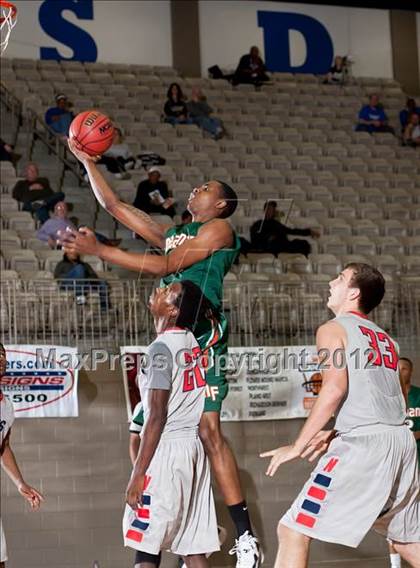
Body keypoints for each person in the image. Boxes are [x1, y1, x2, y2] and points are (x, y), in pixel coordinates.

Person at [63, 138, 263, 568]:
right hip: (172, 340)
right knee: (145, 427)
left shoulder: (220, 231)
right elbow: (115, 206)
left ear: (222, 203)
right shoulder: (175, 233)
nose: (196, 189)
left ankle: (244, 535)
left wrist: (102, 251)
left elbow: (167, 268)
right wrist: (85, 161)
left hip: (201, 331)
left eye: (205, 187)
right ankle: (188, 526)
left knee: (207, 430)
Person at [261, 263, 420, 568]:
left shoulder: (332, 329)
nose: (332, 282)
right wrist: (336, 430)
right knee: (407, 542)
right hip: (399, 442)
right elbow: (388, 399)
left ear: (354, 292)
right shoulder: (387, 340)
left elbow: (333, 389)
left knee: (293, 529)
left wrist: (297, 445)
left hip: (365, 447)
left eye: (341, 278)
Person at [124, 280, 220, 567]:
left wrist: (138, 473)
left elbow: (156, 415)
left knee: (146, 542)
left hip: (167, 449)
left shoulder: (161, 349)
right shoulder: (190, 342)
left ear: (174, 310)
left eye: (168, 292)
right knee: (191, 546)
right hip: (192, 451)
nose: (160, 289)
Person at [0, 343, 44, 568]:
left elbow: (3, 446)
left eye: (2, 354)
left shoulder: (6, 406)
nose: (0, 358)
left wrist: (20, 483)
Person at [250, 201, 319, 257]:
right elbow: (254, 238)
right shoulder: (258, 224)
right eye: (269, 209)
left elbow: (291, 231)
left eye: (272, 209)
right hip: (268, 247)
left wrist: (309, 232)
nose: (271, 211)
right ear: (265, 211)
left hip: (282, 246)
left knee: (303, 244)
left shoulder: (276, 224)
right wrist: (268, 238)